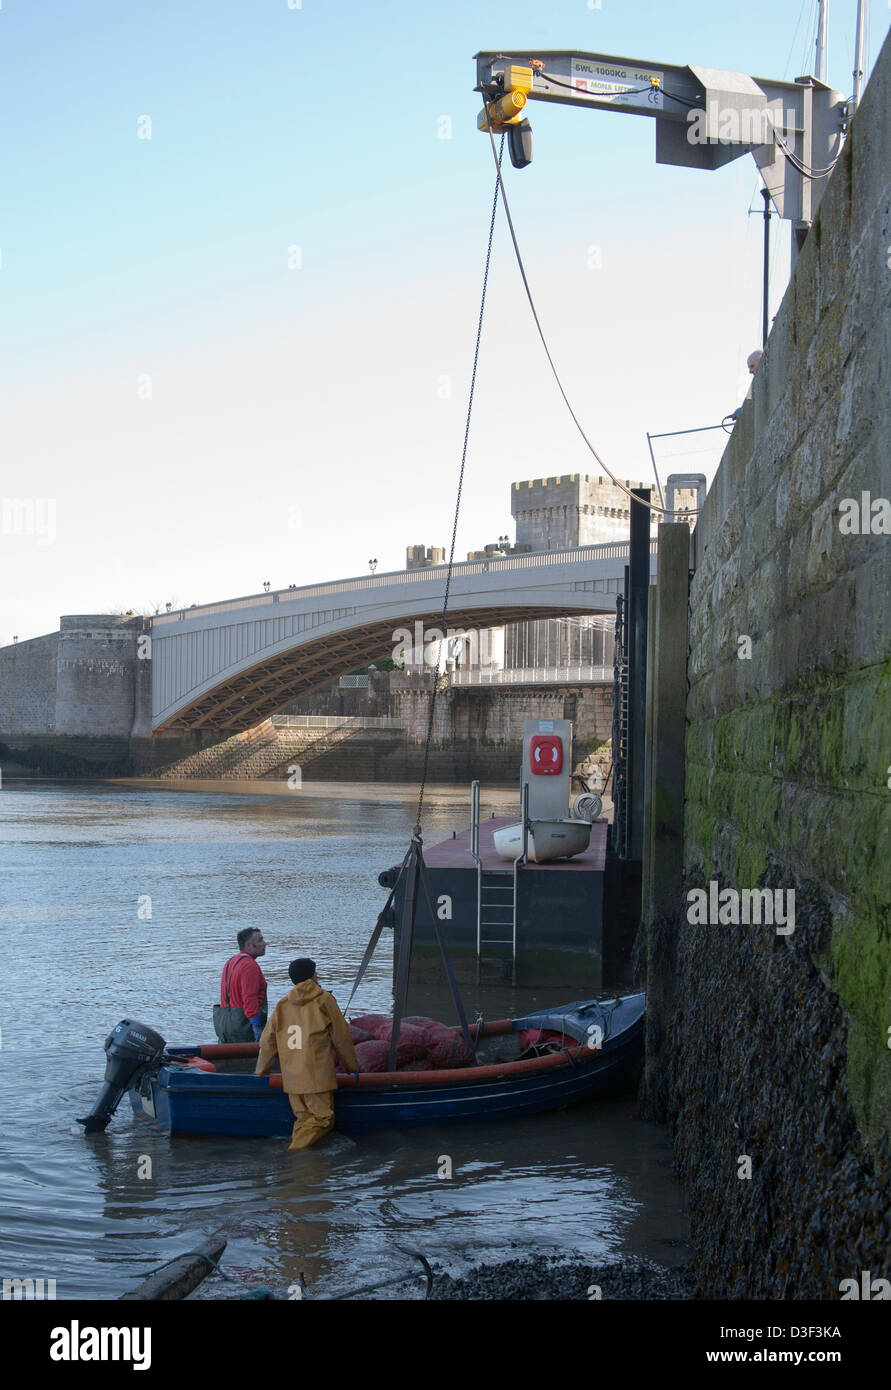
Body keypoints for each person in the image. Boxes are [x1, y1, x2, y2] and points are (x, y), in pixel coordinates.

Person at [255, 958, 359, 1151]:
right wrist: (352, 1067)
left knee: (304, 1118)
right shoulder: (324, 1000)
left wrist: (262, 1072)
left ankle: (303, 1169)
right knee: (323, 1119)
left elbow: (267, 1042)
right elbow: (341, 1037)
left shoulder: (282, 1005)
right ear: (313, 975)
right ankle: (296, 1152)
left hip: (292, 1077)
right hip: (316, 1075)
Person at [214, 928, 268, 1043]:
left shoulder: (230, 962)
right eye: (260, 940)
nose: (265, 943)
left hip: (223, 1022)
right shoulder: (250, 965)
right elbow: (249, 997)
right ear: (249, 946)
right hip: (242, 1025)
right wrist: (256, 1027)